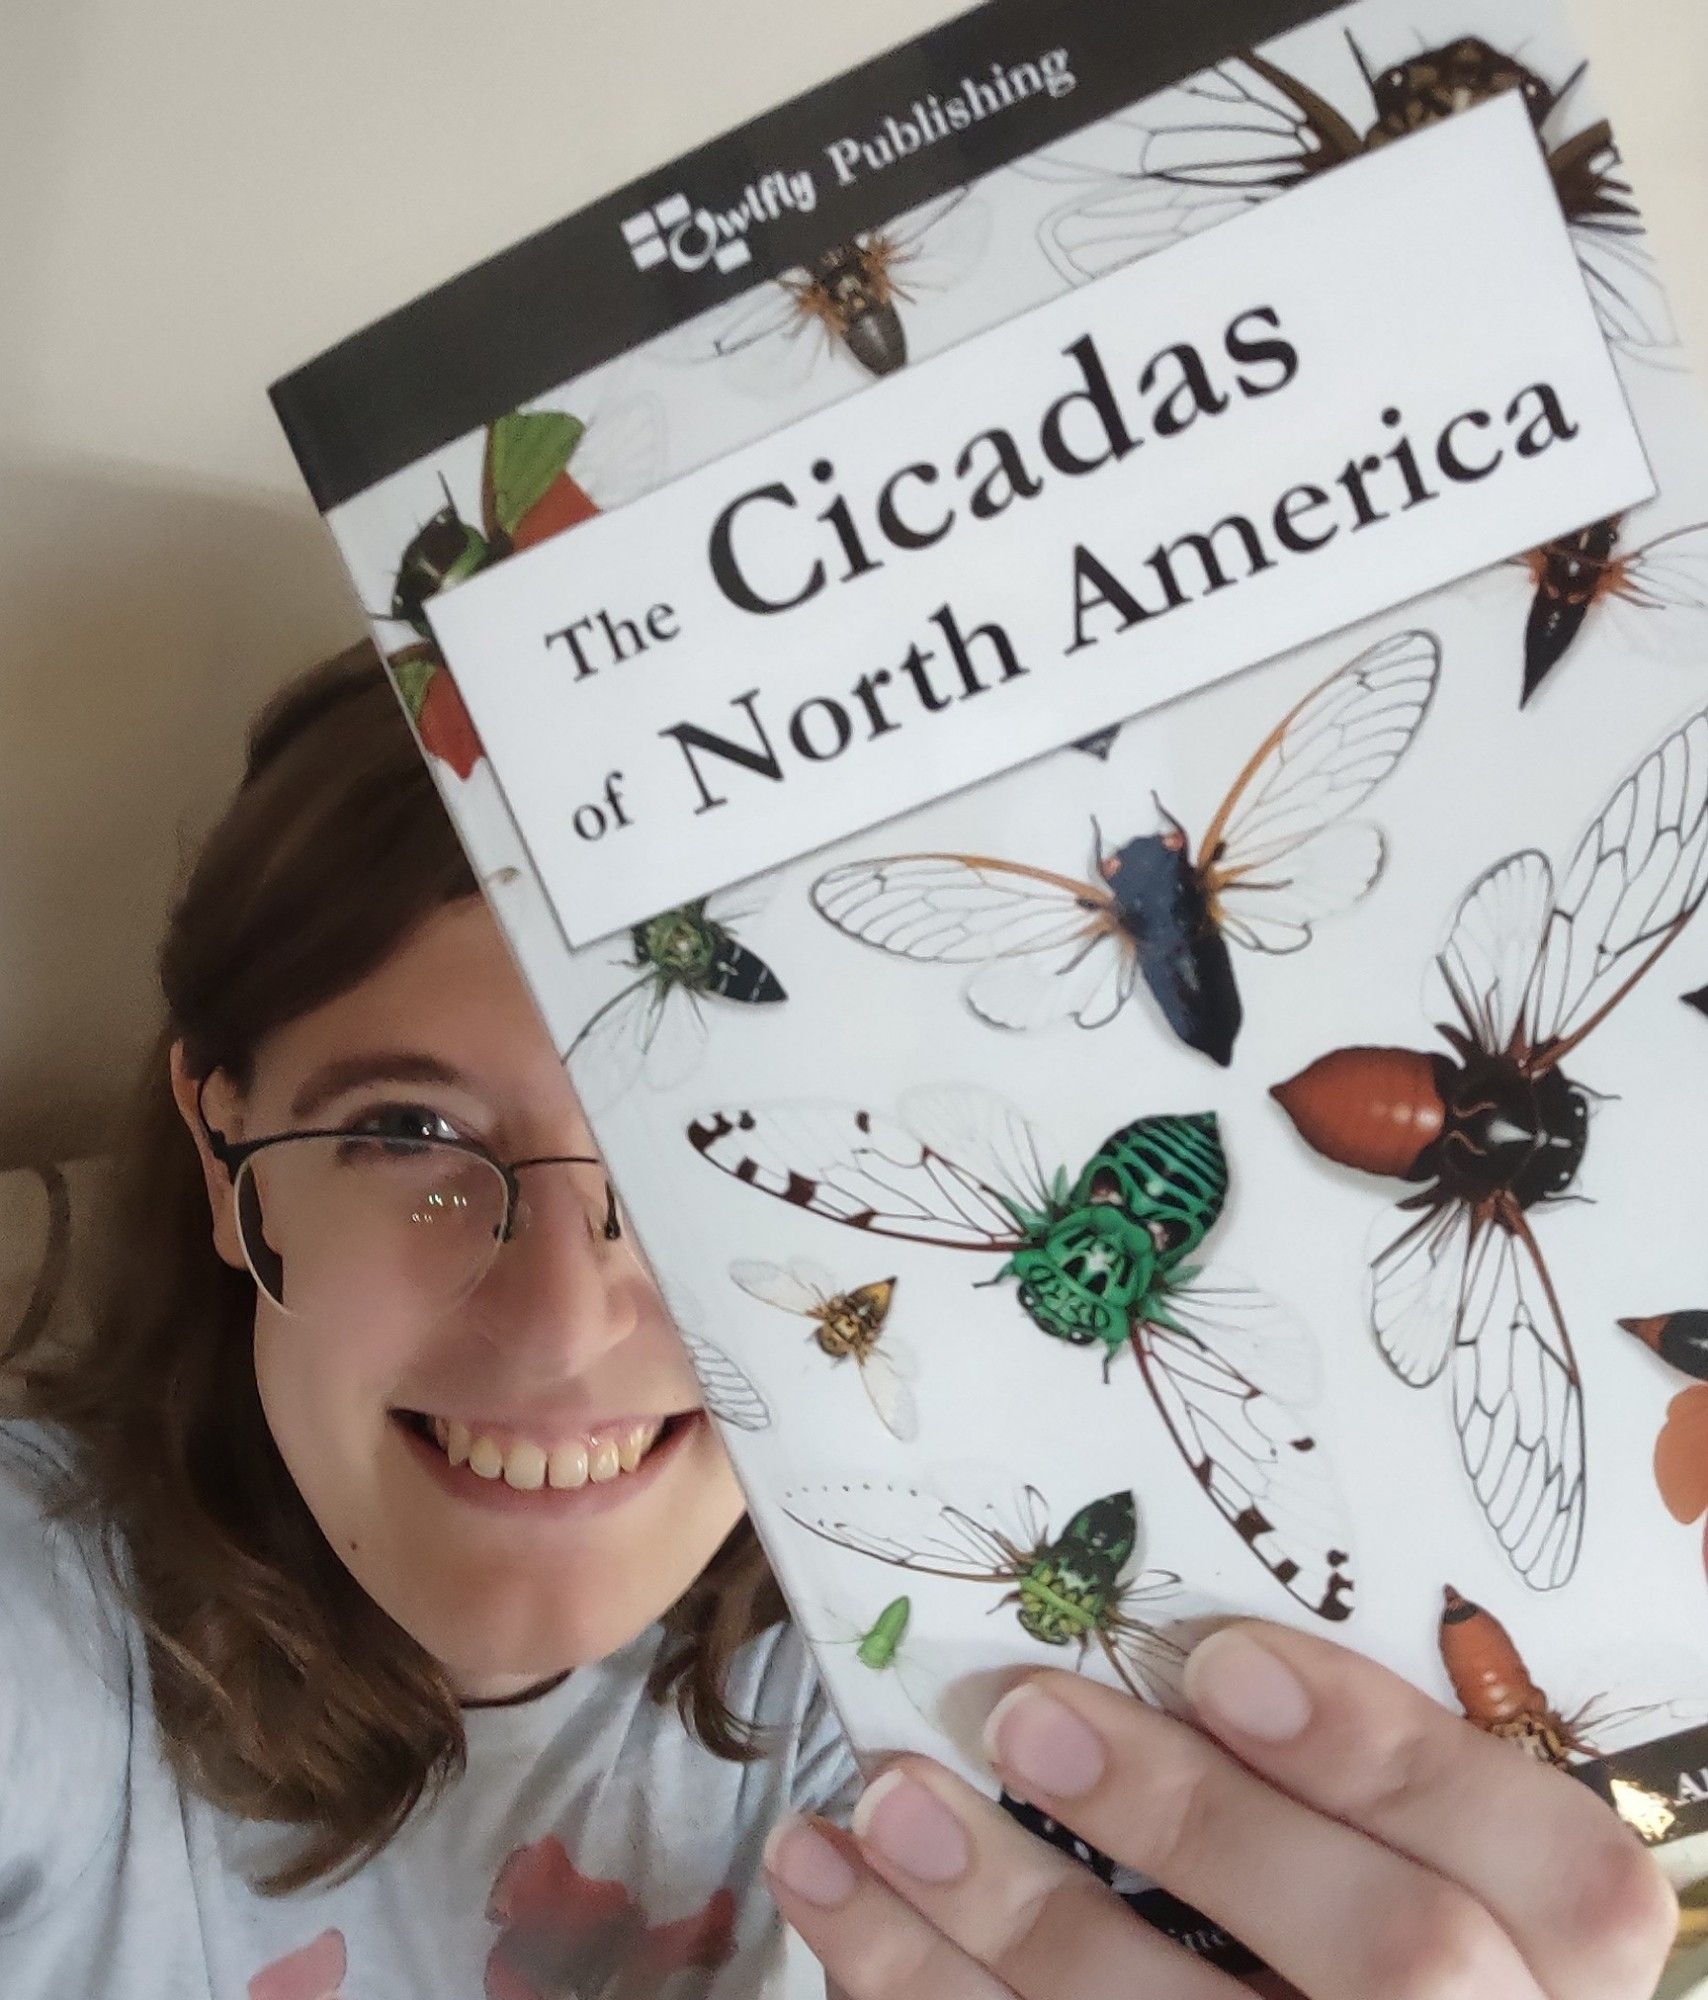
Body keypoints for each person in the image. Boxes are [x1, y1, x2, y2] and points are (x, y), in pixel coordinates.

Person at [0, 640, 1681, 2000]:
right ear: (228, 1161)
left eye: (692, 1148)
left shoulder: (922, 1663)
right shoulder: (45, 1645)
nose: (566, 1319)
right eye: (409, 1136)